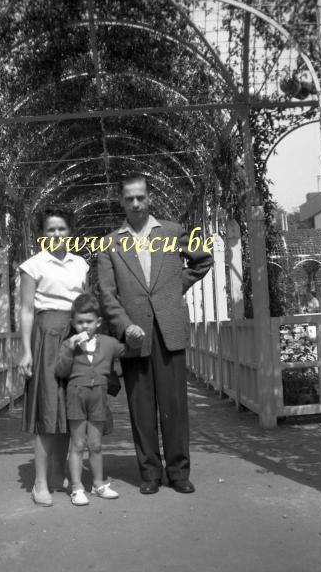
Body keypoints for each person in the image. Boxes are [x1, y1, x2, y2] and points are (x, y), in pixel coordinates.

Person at [97, 173, 213, 495]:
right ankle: (149, 473)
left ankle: (178, 473)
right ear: (121, 201)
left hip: (170, 329)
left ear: (149, 198)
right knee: (141, 407)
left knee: (174, 405)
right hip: (134, 335)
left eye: (140, 197)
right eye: (129, 198)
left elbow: (203, 261)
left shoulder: (173, 231)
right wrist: (123, 324)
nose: (135, 204)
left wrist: (176, 287)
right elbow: (107, 294)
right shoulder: (109, 244)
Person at [18, 206, 89, 507]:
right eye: (51, 230)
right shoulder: (33, 265)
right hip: (46, 336)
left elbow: (86, 306)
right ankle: (39, 483)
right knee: (48, 409)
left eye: (61, 229)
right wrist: (25, 350)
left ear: (69, 232)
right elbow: (25, 309)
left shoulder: (81, 264)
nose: (57, 234)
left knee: (70, 407)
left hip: (75, 335)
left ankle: (62, 473)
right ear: (42, 234)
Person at [54, 293, 124, 506]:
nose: (85, 326)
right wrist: (69, 348)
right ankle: (77, 487)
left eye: (89, 321)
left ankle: (99, 484)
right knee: (77, 444)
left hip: (98, 396)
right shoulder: (68, 344)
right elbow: (61, 371)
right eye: (80, 322)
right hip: (76, 396)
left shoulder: (108, 343)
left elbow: (128, 349)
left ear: (98, 322)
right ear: (73, 323)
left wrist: (134, 334)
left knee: (95, 444)